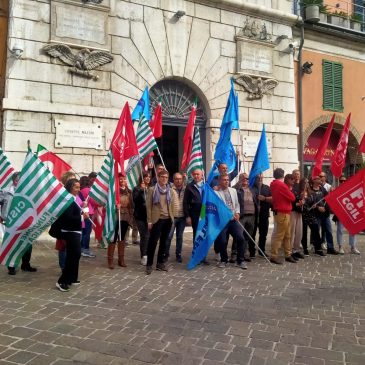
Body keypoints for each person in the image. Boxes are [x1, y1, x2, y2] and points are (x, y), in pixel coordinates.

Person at [55, 178, 88, 291]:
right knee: (72, 255)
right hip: (69, 232)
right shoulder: (67, 200)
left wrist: (83, 207)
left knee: (76, 255)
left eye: (79, 187)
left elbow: (75, 213)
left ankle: (72, 277)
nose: (78, 189)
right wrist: (82, 217)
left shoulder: (74, 199)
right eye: (76, 187)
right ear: (70, 187)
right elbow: (67, 217)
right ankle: (62, 281)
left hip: (76, 230)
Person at [1, 172, 37, 275]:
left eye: (20, 180)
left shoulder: (28, 192)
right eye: (17, 180)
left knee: (27, 244)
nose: (18, 182)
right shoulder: (6, 191)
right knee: (12, 244)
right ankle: (11, 266)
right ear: (13, 180)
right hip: (11, 221)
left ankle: (26, 264)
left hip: (25, 221)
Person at [145, 169, 176, 275]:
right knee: (152, 242)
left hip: (167, 219)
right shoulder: (152, 190)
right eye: (162, 177)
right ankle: (149, 264)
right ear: (158, 178)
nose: (164, 179)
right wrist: (149, 221)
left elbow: (173, 205)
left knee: (164, 242)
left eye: (166, 177)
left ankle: (160, 263)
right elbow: (148, 207)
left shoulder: (170, 191)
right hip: (156, 219)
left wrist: (173, 217)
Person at [215, 174, 247, 269]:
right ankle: (224, 260)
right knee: (223, 241)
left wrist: (237, 213)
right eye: (224, 180)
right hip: (222, 221)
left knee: (241, 238)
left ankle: (240, 260)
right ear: (220, 181)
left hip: (233, 220)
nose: (226, 181)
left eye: (227, 180)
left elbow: (237, 204)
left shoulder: (233, 191)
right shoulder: (215, 193)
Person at [269, 169, 296, 265]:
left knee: (287, 235)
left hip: (282, 212)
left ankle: (288, 254)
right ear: (283, 175)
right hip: (283, 212)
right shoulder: (281, 185)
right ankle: (274, 255)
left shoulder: (274, 184)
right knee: (280, 235)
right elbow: (292, 197)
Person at [183, 168, 209, 265]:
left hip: (205, 213)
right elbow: (185, 202)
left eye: (198, 174)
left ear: (202, 175)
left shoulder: (207, 185)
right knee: (197, 235)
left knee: (204, 235)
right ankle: (196, 256)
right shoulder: (190, 187)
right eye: (194, 174)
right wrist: (187, 216)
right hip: (195, 214)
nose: (196, 176)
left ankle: (203, 256)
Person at [108, 174, 133, 269]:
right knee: (113, 238)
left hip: (125, 217)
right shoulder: (114, 192)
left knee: (122, 238)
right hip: (116, 216)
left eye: (124, 179)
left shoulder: (129, 191)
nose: (123, 180)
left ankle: (121, 259)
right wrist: (115, 206)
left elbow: (131, 206)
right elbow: (109, 204)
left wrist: (131, 217)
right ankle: (110, 260)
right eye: (120, 179)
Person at [334, 175, 360, 255]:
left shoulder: (350, 190)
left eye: (344, 180)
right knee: (340, 230)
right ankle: (340, 247)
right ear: (339, 182)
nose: (343, 182)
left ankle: (353, 247)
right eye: (341, 181)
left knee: (353, 230)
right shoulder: (336, 190)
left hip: (350, 213)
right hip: (340, 214)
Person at [234, 172, 258, 260]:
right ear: (240, 179)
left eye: (247, 179)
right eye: (243, 178)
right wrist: (239, 184)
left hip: (252, 216)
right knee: (239, 235)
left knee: (248, 236)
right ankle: (235, 254)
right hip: (242, 216)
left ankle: (244, 253)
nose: (246, 180)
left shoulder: (252, 189)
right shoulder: (237, 189)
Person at [165, 172, 186, 263]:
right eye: (176, 179)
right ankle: (165, 254)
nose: (178, 180)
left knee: (179, 236)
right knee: (168, 236)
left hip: (182, 217)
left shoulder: (186, 189)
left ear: (182, 180)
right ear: (173, 180)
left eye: (180, 179)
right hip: (172, 217)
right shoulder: (169, 189)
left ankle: (178, 254)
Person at [133, 171, 151, 266]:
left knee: (147, 236)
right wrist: (141, 191)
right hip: (140, 216)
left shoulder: (151, 188)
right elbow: (135, 200)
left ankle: (146, 254)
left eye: (149, 177)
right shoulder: (136, 189)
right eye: (146, 176)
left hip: (149, 216)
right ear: (142, 178)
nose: (148, 178)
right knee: (144, 235)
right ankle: (144, 255)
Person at [318, 171, 339, 255]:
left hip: (326, 213)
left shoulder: (328, 187)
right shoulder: (314, 187)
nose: (320, 178)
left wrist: (332, 192)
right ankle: (317, 248)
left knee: (328, 231)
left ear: (325, 178)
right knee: (316, 230)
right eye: (319, 176)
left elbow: (329, 197)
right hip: (317, 213)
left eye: (322, 176)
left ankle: (330, 248)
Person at [252, 173, 272, 257]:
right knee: (252, 233)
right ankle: (251, 251)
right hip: (253, 215)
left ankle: (262, 250)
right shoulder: (251, 187)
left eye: (261, 177)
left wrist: (265, 199)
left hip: (264, 214)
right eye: (258, 177)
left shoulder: (267, 188)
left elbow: (273, 198)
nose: (260, 179)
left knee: (263, 233)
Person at [79, 176, 96, 258]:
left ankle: (81, 248)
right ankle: (85, 249)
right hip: (89, 213)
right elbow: (93, 201)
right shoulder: (89, 190)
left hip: (81, 212)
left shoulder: (80, 191)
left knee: (83, 231)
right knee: (87, 232)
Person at [290, 170, 305, 260]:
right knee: (292, 232)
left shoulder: (302, 186)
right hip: (293, 210)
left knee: (299, 232)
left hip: (300, 211)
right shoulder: (291, 186)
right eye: (295, 174)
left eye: (298, 174)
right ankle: (290, 250)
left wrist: (304, 197)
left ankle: (296, 250)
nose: (297, 176)